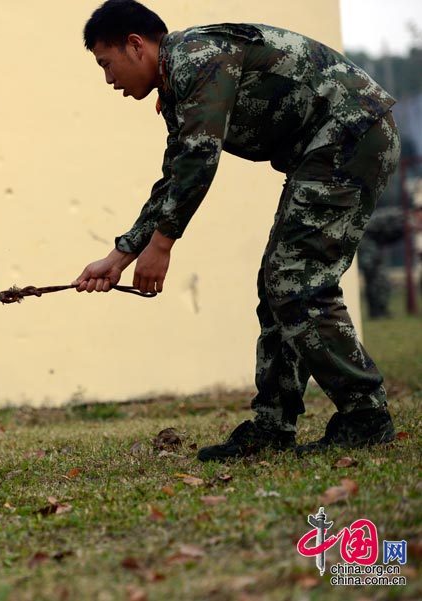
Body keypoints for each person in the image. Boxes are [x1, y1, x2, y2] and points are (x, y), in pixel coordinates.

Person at [73, 0, 400, 459]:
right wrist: (121, 255)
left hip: (351, 134)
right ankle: (273, 425)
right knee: (280, 285)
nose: (109, 80)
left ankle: (365, 416)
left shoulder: (195, 57)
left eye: (107, 65)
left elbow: (200, 159)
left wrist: (162, 246)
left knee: (297, 283)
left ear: (136, 45)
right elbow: (175, 177)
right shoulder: (179, 83)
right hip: (327, 147)